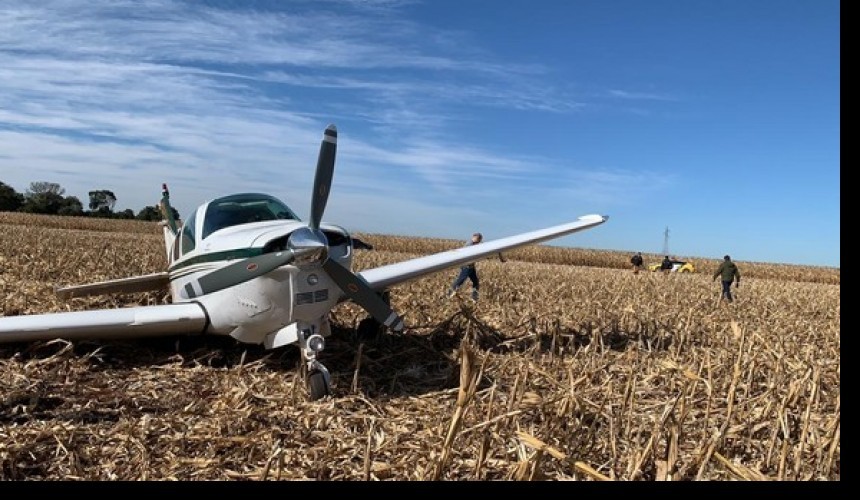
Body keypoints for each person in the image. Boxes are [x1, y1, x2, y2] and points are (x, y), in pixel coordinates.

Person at [446, 232, 504, 301]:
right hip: (467, 266)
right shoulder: (469, 244)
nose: (479, 241)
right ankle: (449, 294)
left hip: (471, 266)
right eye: (479, 239)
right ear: (475, 237)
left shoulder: (474, 244)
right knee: (460, 281)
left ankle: (474, 297)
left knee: (475, 282)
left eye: (480, 240)